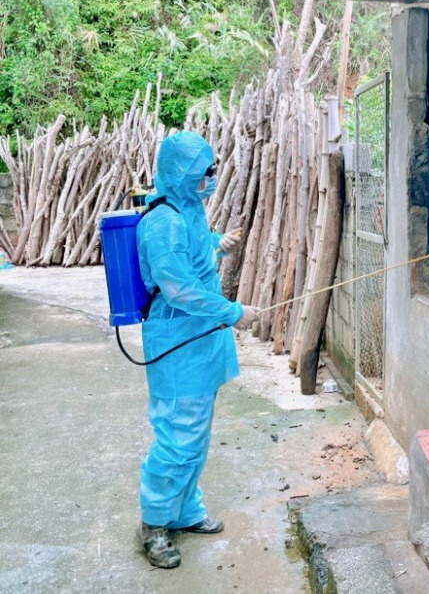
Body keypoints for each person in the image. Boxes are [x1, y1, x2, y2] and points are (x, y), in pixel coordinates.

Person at [134, 131, 257, 569]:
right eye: (205, 171)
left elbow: (196, 258)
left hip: (200, 339)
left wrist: (216, 245)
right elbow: (178, 287)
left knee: (195, 434)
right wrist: (233, 310)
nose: (211, 178)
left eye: (212, 169)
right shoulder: (160, 221)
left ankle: (183, 512)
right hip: (178, 342)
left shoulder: (189, 209)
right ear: (183, 173)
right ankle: (153, 524)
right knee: (177, 438)